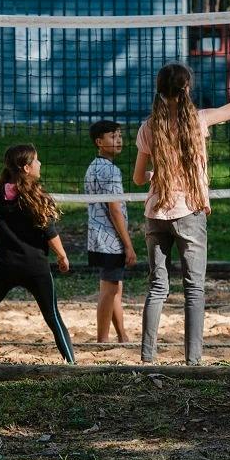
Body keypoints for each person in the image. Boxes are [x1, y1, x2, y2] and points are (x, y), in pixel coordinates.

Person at [134, 41, 230, 365]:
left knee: (157, 288)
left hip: (156, 213)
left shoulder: (148, 127)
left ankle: (147, 358)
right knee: (194, 289)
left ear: (159, 90)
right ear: (186, 88)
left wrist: (158, 172)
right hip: (189, 212)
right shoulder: (199, 121)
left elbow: (138, 178)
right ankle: (193, 361)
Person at [0, 144, 77, 364]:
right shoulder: (38, 197)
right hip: (36, 268)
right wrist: (62, 256)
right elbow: (50, 232)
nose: (40, 163)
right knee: (53, 317)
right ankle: (71, 363)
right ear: (26, 168)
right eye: (36, 160)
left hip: (6, 266)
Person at [82, 120, 137, 344]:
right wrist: (128, 245)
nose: (119, 140)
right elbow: (115, 209)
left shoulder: (92, 167)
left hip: (97, 237)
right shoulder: (111, 171)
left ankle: (122, 336)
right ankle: (103, 340)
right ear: (99, 142)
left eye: (120, 136)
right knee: (109, 290)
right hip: (110, 239)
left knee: (114, 288)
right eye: (113, 137)